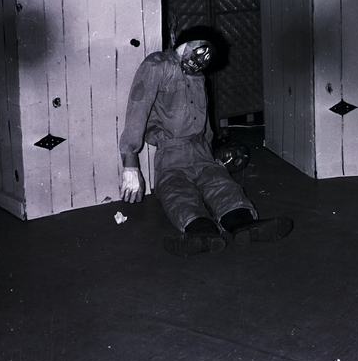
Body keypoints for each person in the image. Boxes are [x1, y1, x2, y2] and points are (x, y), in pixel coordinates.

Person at [118, 26, 293, 256]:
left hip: (201, 150)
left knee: (222, 184)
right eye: (200, 50)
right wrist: (130, 161)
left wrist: (212, 150)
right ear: (185, 44)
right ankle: (202, 233)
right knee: (177, 192)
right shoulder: (157, 65)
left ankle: (243, 225)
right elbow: (137, 110)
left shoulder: (198, 76)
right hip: (171, 152)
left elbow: (205, 118)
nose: (201, 61)